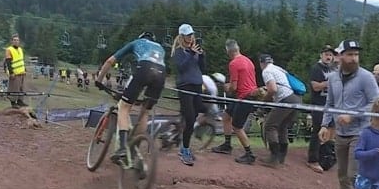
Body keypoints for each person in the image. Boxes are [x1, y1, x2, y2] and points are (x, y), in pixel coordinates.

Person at [319, 40, 379, 189]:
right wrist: (325, 124)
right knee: (342, 175)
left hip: (361, 132)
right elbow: (330, 103)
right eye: (350, 54)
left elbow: (376, 102)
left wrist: (353, 115)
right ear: (340, 56)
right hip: (340, 133)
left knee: (354, 175)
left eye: (356, 54)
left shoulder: (366, 77)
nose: (354, 58)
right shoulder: (333, 78)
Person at [95, 32, 166, 165]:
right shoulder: (160, 48)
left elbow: (110, 61)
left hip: (144, 68)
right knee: (145, 112)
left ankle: (122, 148)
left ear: (141, 38)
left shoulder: (136, 43)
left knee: (124, 107)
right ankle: (133, 148)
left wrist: (99, 80)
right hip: (161, 74)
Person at [211, 39, 258, 164]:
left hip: (244, 97)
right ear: (238, 48)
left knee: (237, 126)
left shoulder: (233, 64)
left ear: (228, 51)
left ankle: (250, 154)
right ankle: (227, 145)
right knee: (226, 116)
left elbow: (234, 87)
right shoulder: (248, 61)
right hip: (246, 95)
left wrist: (226, 87)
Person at [171, 23, 207, 166]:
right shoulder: (179, 51)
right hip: (185, 86)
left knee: (199, 112)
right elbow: (181, 67)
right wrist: (191, 53)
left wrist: (202, 56)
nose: (190, 37)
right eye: (187, 35)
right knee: (190, 118)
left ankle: (182, 138)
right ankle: (185, 150)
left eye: (191, 34)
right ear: (182, 37)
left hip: (197, 85)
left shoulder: (195, 49)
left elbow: (202, 69)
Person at [258, 54, 301, 167]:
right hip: (295, 98)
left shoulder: (266, 71)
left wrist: (264, 100)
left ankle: (274, 158)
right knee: (282, 127)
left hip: (285, 99)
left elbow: (273, 89)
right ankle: (281, 157)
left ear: (261, 63)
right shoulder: (278, 68)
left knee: (270, 126)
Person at [307, 45, 337, 173]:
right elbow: (315, 86)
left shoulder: (333, 69)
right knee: (318, 131)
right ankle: (312, 159)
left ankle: (325, 157)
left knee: (330, 131)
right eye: (326, 54)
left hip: (331, 105)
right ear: (321, 55)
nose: (328, 57)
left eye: (330, 55)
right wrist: (330, 83)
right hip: (319, 104)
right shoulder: (316, 68)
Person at [4, 33, 27, 108]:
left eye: (17, 40)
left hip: (21, 72)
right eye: (14, 40)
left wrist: (24, 69)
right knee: (14, 88)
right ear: (12, 41)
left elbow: (21, 60)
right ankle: (13, 102)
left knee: (21, 88)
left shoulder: (20, 49)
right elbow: (8, 62)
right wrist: (11, 73)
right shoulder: (9, 50)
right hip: (15, 73)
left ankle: (20, 101)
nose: (16, 41)